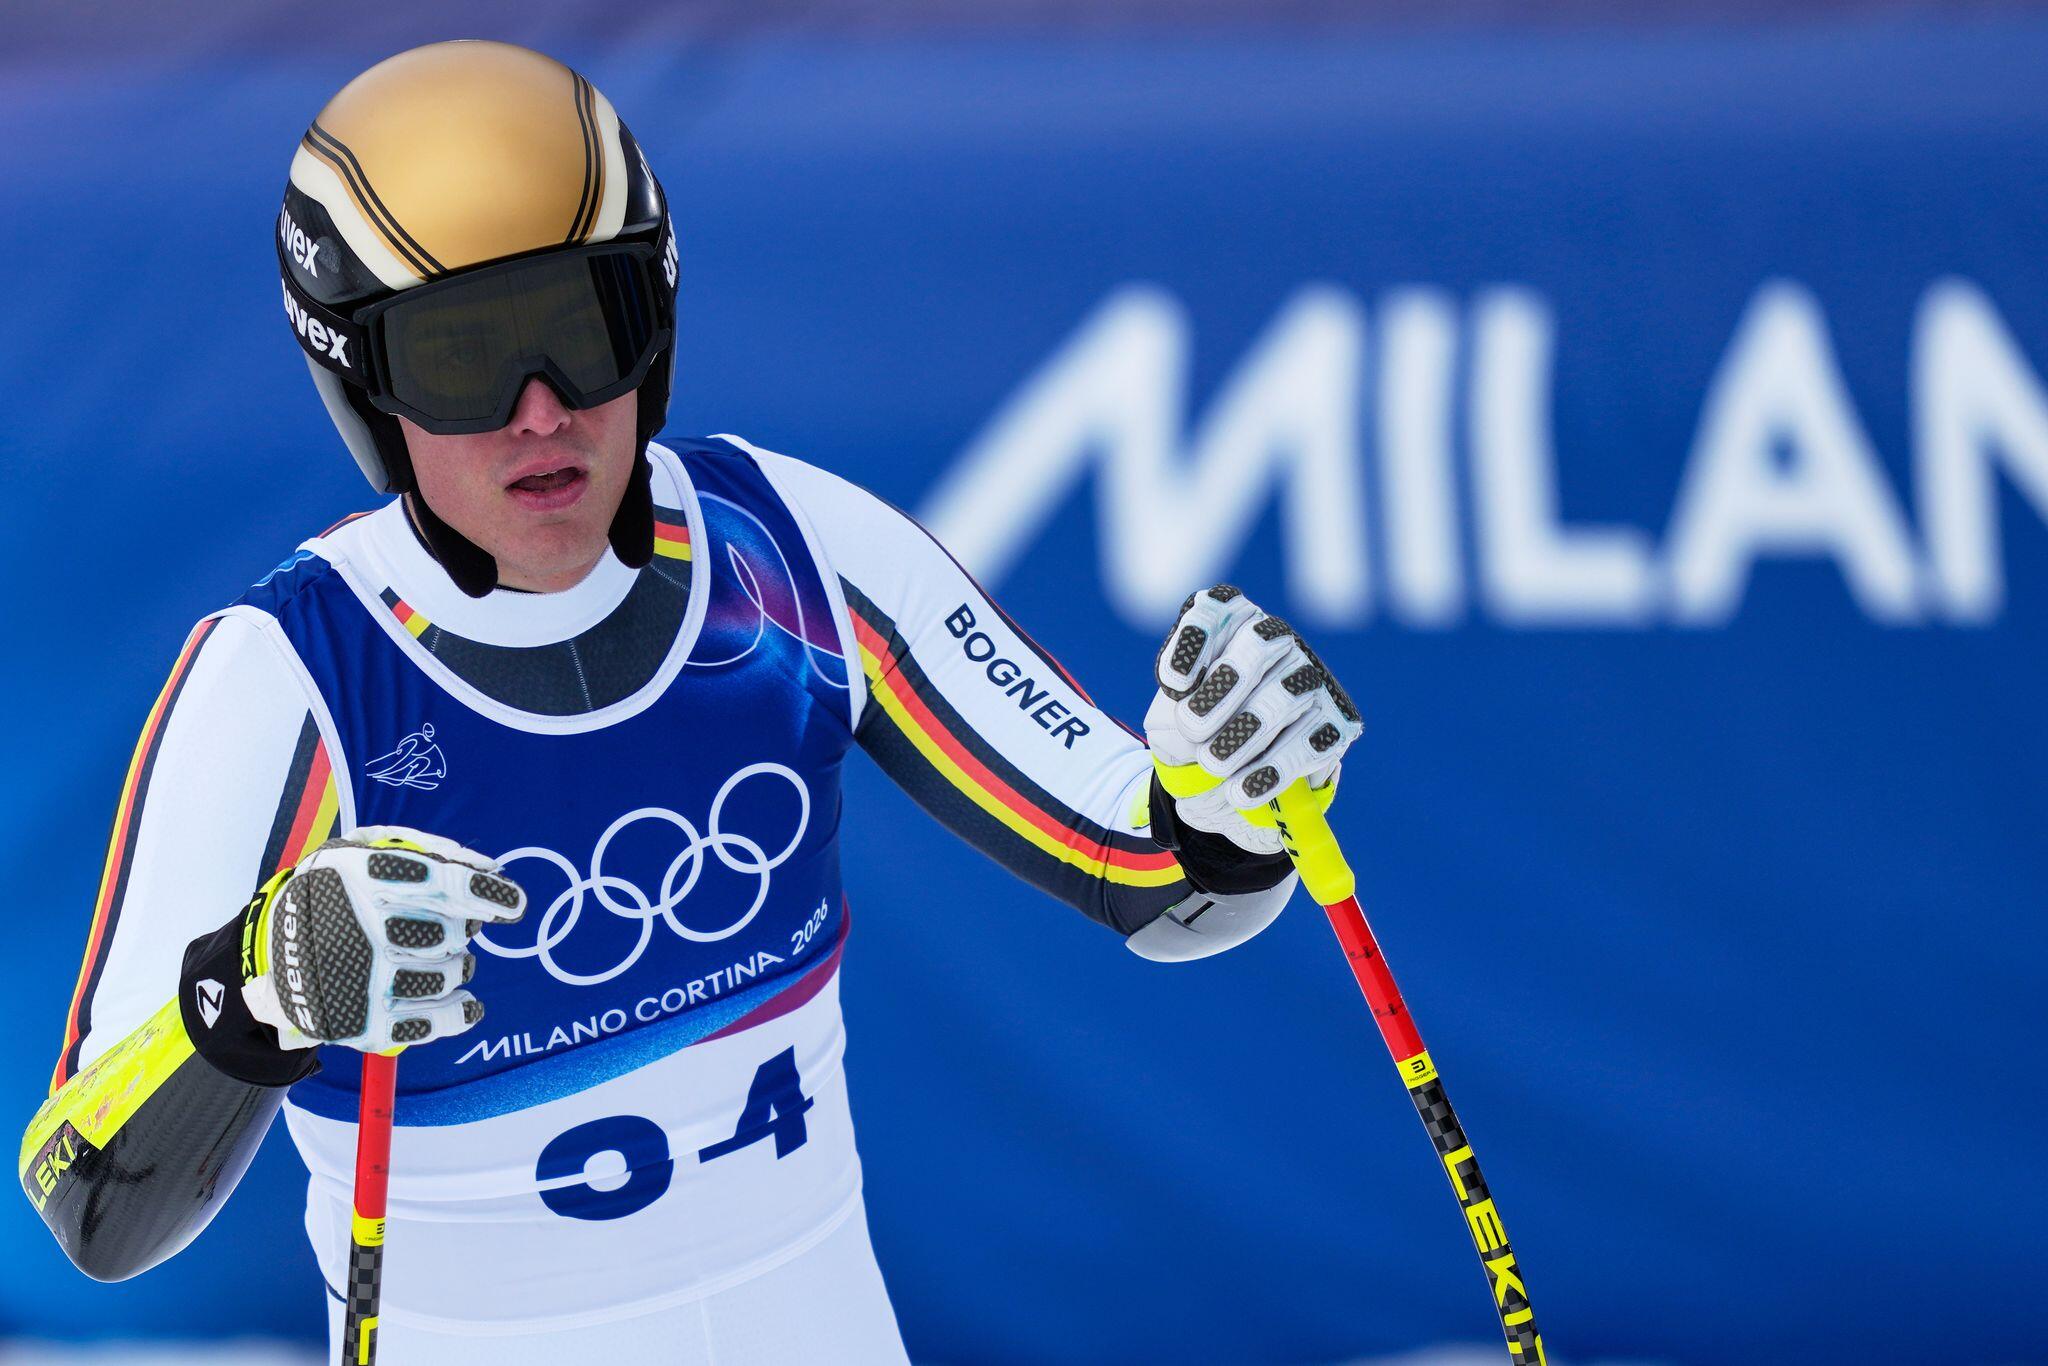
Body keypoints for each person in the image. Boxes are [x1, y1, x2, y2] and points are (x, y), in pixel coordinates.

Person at [17, 39, 1361, 1365]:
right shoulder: (292, 672)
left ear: (653, 326)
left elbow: (1161, 886)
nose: (540, 411)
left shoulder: (785, 555)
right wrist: (263, 986)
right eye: (460, 356)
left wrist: (1232, 797)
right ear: (363, 384)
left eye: (581, 327)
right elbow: (92, 1201)